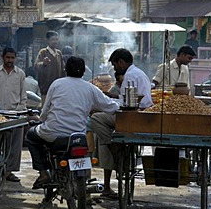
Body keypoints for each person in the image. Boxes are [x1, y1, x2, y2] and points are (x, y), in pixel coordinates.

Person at [26, 57, 121, 189]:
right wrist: (126, 103)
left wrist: (40, 119)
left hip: (54, 134)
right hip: (78, 136)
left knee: (31, 136)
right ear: (83, 71)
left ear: (65, 69)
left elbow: (45, 110)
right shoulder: (90, 88)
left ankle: (43, 173)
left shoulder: (57, 84)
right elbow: (111, 106)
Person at [91, 48, 153, 197]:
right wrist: (110, 98)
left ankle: (113, 146)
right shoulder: (139, 72)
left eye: (115, 65)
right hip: (140, 115)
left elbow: (125, 104)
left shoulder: (130, 76)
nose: (115, 68)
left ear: (121, 62)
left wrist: (105, 103)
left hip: (132, 118)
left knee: (96, 118)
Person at [0, 47, 27, 182]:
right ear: (2, 57)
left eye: (12, 58)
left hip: (14, 114)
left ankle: (9, 171)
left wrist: (20, 110)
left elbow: (23, 96)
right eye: (8, 57)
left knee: (14, 144)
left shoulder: (20, 74)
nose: (10, 60)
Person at [34, 31, 66, 105]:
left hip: (58, 87)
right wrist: (43, 63)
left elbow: (62, 68)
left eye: (56, 39)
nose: (55, 41)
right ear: (48, 41)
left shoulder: (59, 53)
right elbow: (36, 66)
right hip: (46, 87)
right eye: (53, 39)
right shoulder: (43, 52)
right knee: (45, 107)